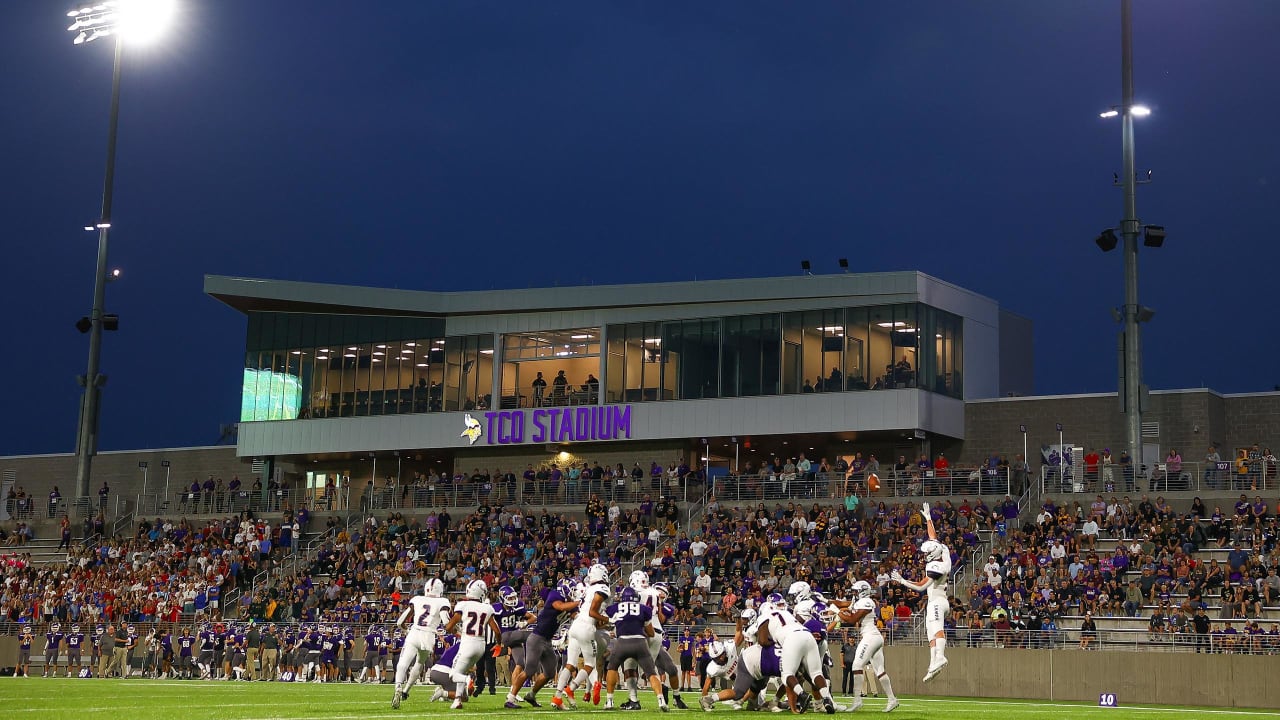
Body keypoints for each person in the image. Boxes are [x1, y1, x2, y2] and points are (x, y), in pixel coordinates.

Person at [891, 502, 951, 682]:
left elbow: (920, 586)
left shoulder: (936, 566)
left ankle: (940, 657)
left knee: (937, 628)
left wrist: (902, 581)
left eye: (926, 553)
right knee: (930, 632)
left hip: (937, 601)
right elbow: (933, 538)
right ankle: (933, 664)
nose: (924, 555)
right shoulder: (944, 553)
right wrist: (929, 519)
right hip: (937, 600)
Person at [391, 578, 451, 709]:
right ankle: (406, 690)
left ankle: (398, 687)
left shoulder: (417, 599)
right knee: (419, 662)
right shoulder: (443, 601)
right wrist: (459, 630)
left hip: (415, 632)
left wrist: (406, 630)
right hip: (429, 636)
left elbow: (400, 622)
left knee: (403, 663)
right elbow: (447, 622)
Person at [442, 580, 502, 710]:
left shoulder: (462, 605)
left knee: (454, 674)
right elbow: (497, 631)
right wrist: (499, 644)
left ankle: (468, 680)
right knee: (461, 670)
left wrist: (449, 625)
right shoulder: (487, 608)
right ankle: (457, 700)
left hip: (467, 643)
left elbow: (449, 627)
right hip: (481, 645)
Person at [840, 580, 899, 713]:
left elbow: (851, 620)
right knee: (880, 670)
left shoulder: (865, 601)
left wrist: (838, 614)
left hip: (870, 636)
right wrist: (830, 603)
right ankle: (892, 699)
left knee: (856, 666)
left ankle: (857, 701)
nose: (854, 593)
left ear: (862, 591)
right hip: (874, 637)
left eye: (856, 591)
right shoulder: (859, 602)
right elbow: (844, 605)